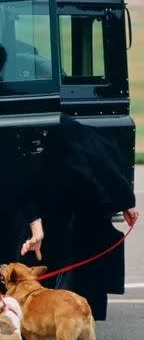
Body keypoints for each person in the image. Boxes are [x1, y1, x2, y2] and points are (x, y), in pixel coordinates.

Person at [39, 115, 139, 320]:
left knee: (64, 255)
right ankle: (88, 315)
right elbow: (112, 171)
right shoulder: (91, 142)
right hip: (93, 204)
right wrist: (125, 203)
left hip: (72, 204)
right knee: (88, 260)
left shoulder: (60, 149)